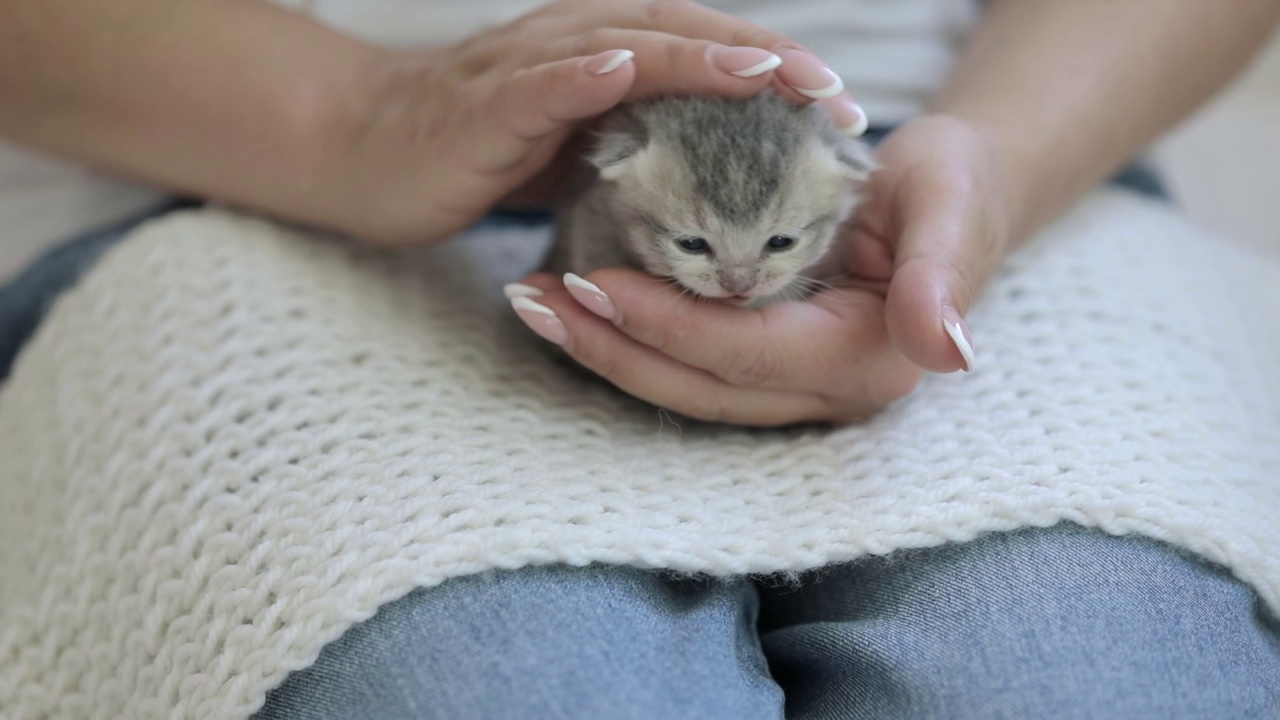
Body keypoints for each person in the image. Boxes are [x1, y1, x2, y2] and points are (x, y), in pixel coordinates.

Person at [1, 1, 1278, 718]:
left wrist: (997, 156)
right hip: (240, 163)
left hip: (962, 147)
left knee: (1098, 689)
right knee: (497, 689)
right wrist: (355, 115)